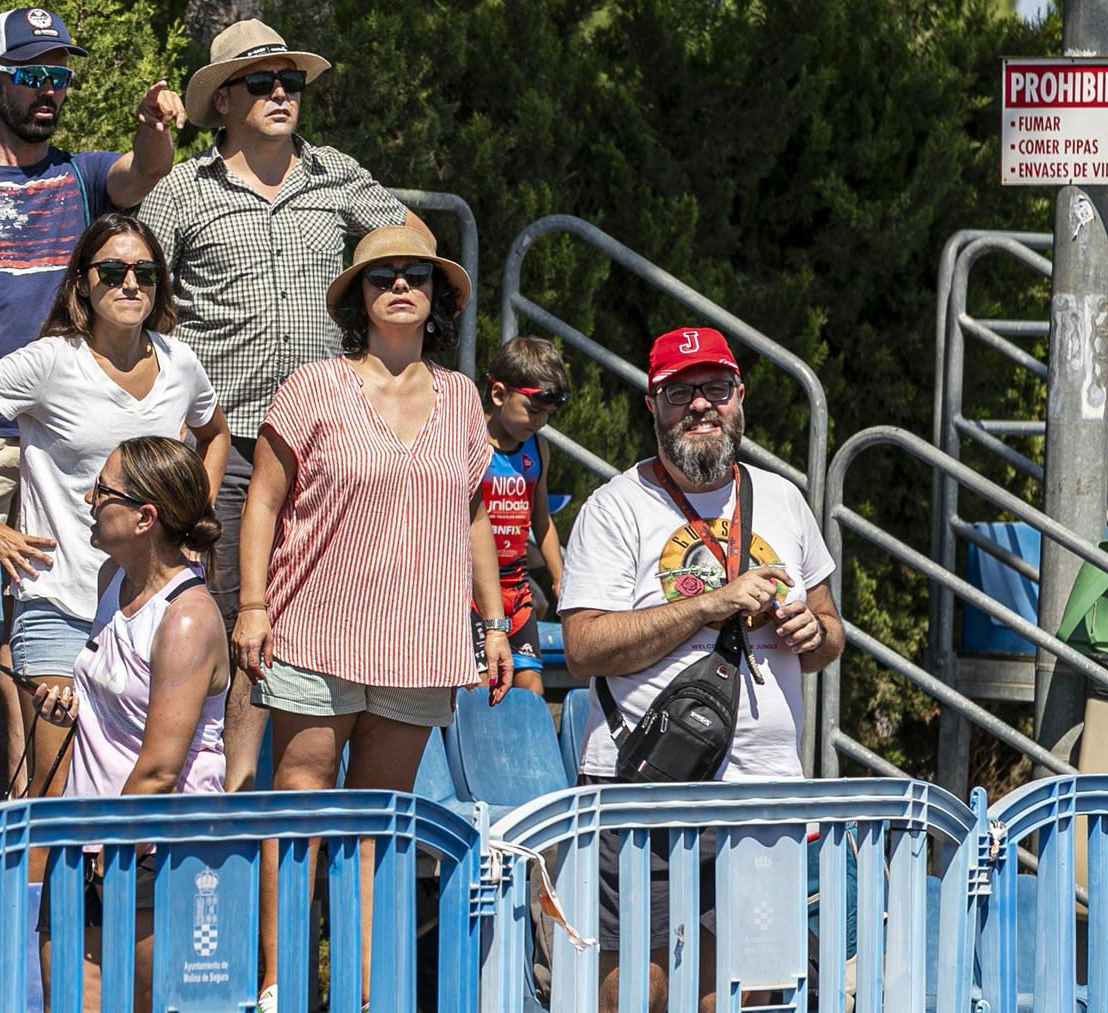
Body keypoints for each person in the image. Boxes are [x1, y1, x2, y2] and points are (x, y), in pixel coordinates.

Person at [0, 6, 184, 826]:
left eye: (59, 75)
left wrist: (152, 126)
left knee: (44, 621)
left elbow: (144, 173)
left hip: (64, 437)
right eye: (32, 75)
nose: (49, 90)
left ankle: (31, 792)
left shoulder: (83, 174)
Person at [136, 17, 435, 790]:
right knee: (237, 624)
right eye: (263, 83)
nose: (281, 95)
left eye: (291, 83)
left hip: (331, 445)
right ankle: (233, 798)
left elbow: (418, 244)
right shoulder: (183, 190)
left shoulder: (338, 175)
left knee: (328, 625)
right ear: (224, 99)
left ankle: (301, 806)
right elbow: (132, 283)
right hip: (225, 446)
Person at [231, 227, 508, 1013]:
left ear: (437, 295)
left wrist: (493, 624)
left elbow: (475, 514)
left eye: (415, 274)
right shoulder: (312, 384)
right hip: (314, 628)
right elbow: (263, 500)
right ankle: (280, 987)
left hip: (422, 640)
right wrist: (252, 604)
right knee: (300, 809)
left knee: (377, 828)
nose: (398, 285)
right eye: (380, 274)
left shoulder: (460, 397)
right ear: (358, 294)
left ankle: (358, 994)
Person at [559, 326, 845, 1013]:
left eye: (714, 387)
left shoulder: (783, 498)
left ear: (739, 397)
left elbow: (832, 632)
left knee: (757, 987)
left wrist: (814, 630)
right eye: (679, 390)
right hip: (646, 784)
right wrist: (707, 606)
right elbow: (584, 646)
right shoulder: (616, 507)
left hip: (764, 789)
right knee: (638, 989)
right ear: (652, 403)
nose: (699, 404)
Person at [0, 212, 228, 804]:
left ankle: (107, 895)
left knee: (136, 773)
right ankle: (37, 898)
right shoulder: (49, 361)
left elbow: (215, 435)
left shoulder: (180, 363)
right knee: (54, 782)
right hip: (57, 597)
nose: (130, 283)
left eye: (146, 272)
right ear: (83, 281)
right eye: (112, 270)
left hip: (145, 604)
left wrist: (189, 518)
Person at [28, 436, 229, 1012]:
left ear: (145, 517)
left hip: (153, 851)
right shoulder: (111, 582)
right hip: (92, 843)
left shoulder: (187, 618)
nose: (90, 497)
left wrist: (100, 854)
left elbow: (162, 768)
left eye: (104, 489)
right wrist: (72, 703)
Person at [481, 335, 571, 696]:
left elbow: (542, 521)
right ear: (499, 394)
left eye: (547, 414)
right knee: (484, 683)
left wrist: (560, 577)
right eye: (533, 411)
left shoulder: (538, 448)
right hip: (472, 588)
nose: (540, 422)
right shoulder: (468, 444)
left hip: (516, 588)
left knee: (531, 688)